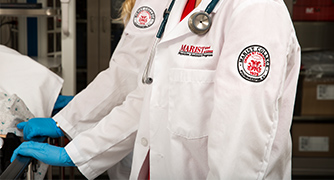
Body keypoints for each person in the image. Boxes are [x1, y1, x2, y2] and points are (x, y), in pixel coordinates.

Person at [11, 0, 301, 179]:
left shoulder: (256, 10)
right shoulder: (178, 7)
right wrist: (77, 152)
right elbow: (145, 97)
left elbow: (240, 144)